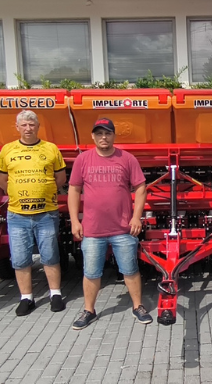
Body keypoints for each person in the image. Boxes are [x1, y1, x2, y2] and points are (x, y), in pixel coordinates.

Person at [68, 118, 152, 329]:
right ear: (93, 136)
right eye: (99, 133)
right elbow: (74, 190)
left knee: (130, 270)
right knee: (91, 272)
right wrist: (74, 221)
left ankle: (138, 306)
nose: (103, 137)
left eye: (107, 133)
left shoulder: (127, 159)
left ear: (114, 136)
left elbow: (140, 188)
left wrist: (136, 216)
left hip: (122, 228)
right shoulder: (83, 160)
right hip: (93, 229)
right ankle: (89, 310)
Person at [0, 110, 67, 316]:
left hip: (46, 213)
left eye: (32, 125)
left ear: (37, 127)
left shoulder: (50, 149)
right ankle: (26, 298)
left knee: (50, 254)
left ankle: (55, 294)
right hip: (17, 215)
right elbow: (2, 180)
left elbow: (60, 178)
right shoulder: (7, 150)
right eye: (24, 125)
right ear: (17, 127)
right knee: (20, 258)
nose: (28, 128)